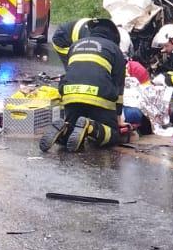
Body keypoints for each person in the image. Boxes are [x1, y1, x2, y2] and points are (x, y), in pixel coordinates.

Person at [42, 18, 127, 152]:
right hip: (97, 99)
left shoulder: (75, 46)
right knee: (113, 135)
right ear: (114, 36)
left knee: (74, 127)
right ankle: (90, 127)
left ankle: (65, 129)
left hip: (70, 97)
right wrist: (118, 119)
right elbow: (119, 89)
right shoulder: (115, 50)